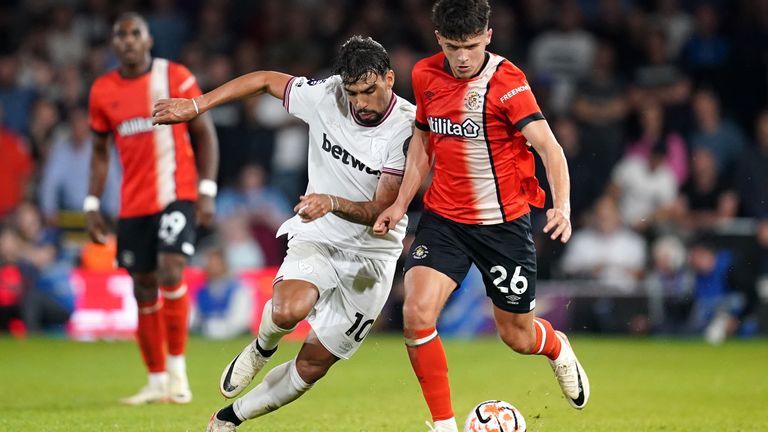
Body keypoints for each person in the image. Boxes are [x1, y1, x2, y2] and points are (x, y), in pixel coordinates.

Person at [152, 36, 414, 432]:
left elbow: (384, 209)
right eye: (352, 92)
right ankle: (260, 349)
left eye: (369, 91)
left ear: (390, 79)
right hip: (320, 234)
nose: (360, 102)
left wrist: (332, 201)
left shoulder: (406, 128)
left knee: (312, 366)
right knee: (288, 309)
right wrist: (196, 104)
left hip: (373, 256)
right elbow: (262, 80)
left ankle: (230, 417)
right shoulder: (326, 96)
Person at [374, 1, 590, 430]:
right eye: (454, 47)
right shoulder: (425, 75)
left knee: (517, 336)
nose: (463, 57)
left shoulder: (507, 82)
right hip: (445, 221)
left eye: (472, 45)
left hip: (503, 226)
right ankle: (443, 425)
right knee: (416, 314)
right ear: (439, 39)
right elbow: (422, 144)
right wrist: (400, 205)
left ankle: (557, 348)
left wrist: (561, 205)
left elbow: (550, 147)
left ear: (488, 36)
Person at [86, 13, 219, 405]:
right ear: (114, 43)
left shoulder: (174, 76)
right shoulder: (102, 91)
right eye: (120, 34)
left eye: (135, 34)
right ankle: (156, 379)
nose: (127, 40)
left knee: (170, 269)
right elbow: (98, 152)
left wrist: (206, 190)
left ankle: (178, 375)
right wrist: (92, 203)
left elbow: (204, 131)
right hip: (133, 203)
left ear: (148, 41)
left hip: (176, 193)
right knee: (142, 285)